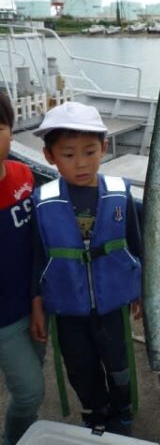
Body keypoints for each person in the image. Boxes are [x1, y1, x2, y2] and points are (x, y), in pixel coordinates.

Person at [29, 101, 142, 437]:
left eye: (90, 151)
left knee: (119, 365)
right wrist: (37, 305)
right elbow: (38, 257)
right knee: (80, 368)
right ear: (49, 156)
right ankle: (95, 411)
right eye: (68, 154)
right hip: (68, 311)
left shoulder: (121, 194)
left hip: (112, 309)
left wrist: (139, 289)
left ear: (104, 148)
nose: (81, 163)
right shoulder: (43, 200)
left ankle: (122, 409)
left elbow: (135, 246)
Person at [0, 92, 46, 445]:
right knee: (30, 392)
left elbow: (36, 245)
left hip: (32, 307)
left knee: (32, 385)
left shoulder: (25, 176)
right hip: (3, 321)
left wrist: (38, 300)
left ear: (11, 131)